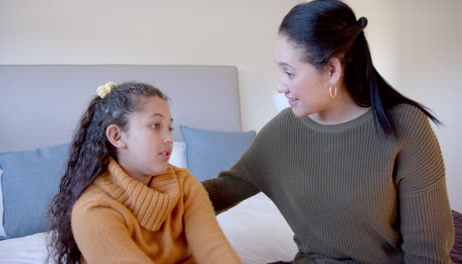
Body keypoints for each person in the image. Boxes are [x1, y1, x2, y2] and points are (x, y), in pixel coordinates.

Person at [203, 0, 455, 263]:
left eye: (289, 73)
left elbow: (427, 254)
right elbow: (221, 191)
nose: (280, 86)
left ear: (332, 70)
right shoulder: (282, 131)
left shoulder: (405, 125)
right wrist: (160, 192)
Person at [48, 81, 241, 264]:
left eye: (169, 128)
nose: (168, 139)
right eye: (155, 126)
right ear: (117, 136)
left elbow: (216, 253)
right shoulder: (93, 209)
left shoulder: (185, 184)